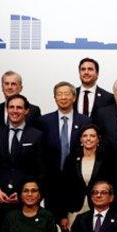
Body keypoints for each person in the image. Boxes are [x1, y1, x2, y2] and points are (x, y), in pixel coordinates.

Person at [0, 95, 46, 210]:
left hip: (26, 204)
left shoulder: (37, 136)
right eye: (11, 107)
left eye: (19, 108)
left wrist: (24, 193)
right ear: (7, 110)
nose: (15, 111)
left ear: (26, 111)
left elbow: (41, 171)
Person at [53, 124, 117, 229]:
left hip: (98, 211)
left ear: (98, 140)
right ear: (80, 139)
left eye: (92, 136)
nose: (88, 139)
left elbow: (113, 187)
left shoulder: (107, 159)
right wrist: (62, 215)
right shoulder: (71, 159)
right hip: (74, 210)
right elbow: (63, 189)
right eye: (85, 136)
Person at [40, 82, 92, 210]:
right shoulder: (44, 121)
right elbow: (40, 153)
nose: (63, 97)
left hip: (77, 182)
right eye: (59, 94)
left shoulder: (85, 121)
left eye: (67, 94)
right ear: (55, 98)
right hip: (51, 182)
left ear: (74, 97)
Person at [0, 70, 42, 138]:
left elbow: (39, 139)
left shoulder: (33, 111)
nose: (9, 87)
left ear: (21, 88)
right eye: (6, 84)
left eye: (13, 84)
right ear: (2, 87)